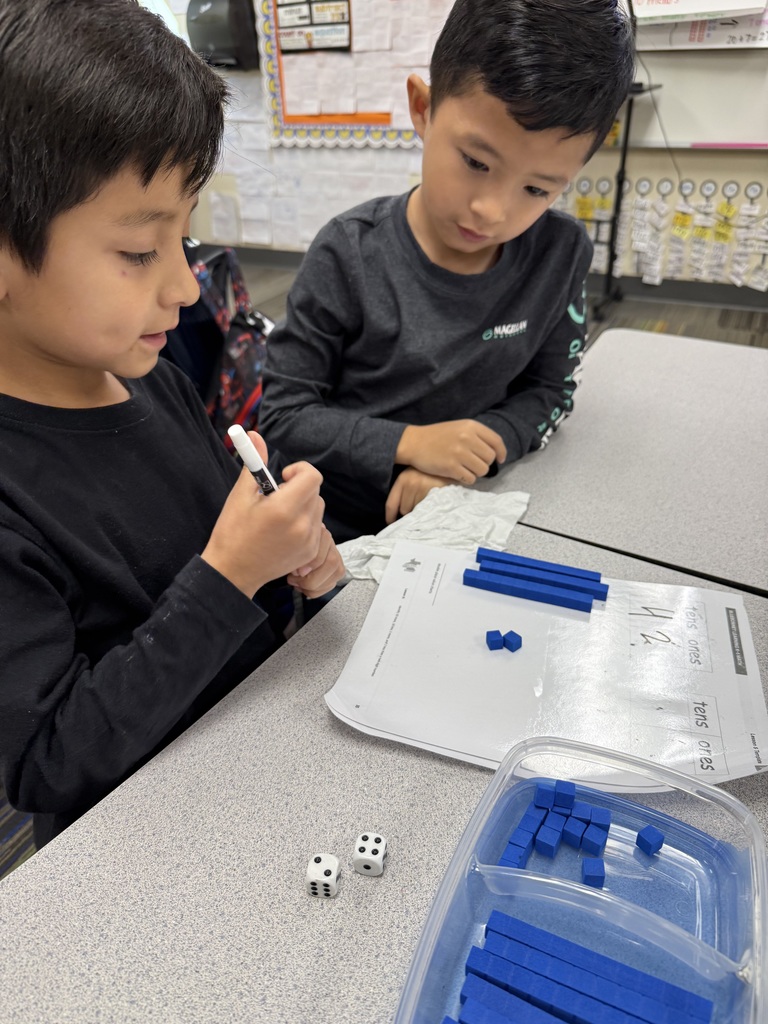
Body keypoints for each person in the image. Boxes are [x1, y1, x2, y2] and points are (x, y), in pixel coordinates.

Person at [0, 0, 344, 849]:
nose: (188, 288)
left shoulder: (142, 374)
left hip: (260, 763)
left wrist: (289, 561)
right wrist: (230, 575)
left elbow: (214, 565)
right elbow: (47, 759)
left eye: (184, 240)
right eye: (138, 251)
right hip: (144, 849)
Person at [260, 0, 635, 543]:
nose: (492, 210)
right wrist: (412, 443)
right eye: (476, 163)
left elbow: (550, 391)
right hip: (338, 531)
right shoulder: (348, 253)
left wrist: (480, 443)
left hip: (472, 511)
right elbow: (284, 416)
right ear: (423, 108)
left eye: (537, 189)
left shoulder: (561, 254)